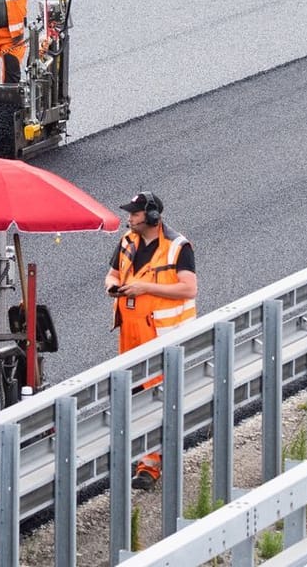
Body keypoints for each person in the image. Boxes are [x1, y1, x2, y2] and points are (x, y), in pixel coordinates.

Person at [104, 191, 197, 492]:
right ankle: (139, 457)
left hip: (160, 336)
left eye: (135, 214)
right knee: (132, 398)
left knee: (155, 398)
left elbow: (188, 289)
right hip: (130, 333)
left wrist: (144, 286)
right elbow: (112, 274)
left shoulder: (177, 247)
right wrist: (113, 286)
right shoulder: (127, 242)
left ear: (153, 217)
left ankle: (150, 465)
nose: (129, 218)